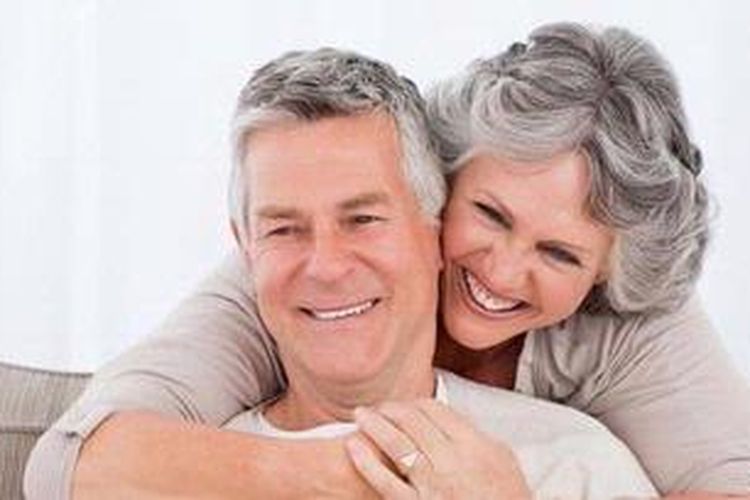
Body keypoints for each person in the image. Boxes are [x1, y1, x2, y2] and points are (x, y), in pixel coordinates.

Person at [25, 22, 750, 499]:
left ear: (603, 275)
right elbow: (70, 462)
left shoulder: (621, 361)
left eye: (559, 253)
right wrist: (368, 472)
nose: (501, 271)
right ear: (441, 189)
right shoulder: (296, 273)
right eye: (490, 215)